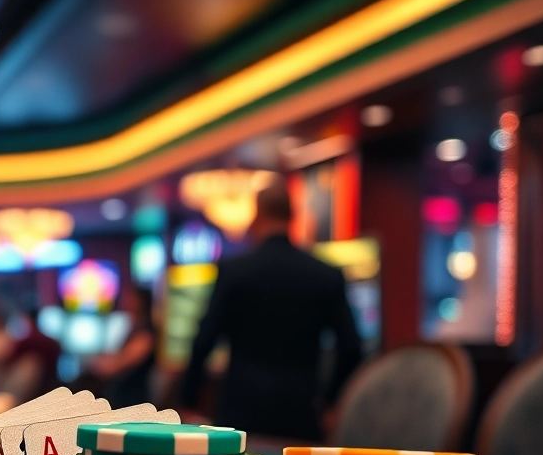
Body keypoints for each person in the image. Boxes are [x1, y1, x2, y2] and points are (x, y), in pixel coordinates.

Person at [180, 181, 362, 440]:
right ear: (293, 217)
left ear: (257, 215)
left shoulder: (235, 272)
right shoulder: (326, 275)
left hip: (241, 412)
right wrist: (330, 400)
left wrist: (188, 401)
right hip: (301, 414)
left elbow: (204, 340)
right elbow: (352, 347)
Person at [88, 286, 157, 408]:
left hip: (132, 401)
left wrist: (95, 363)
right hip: (120, 397)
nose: (126, 301)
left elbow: (117, 365)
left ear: (141, 302)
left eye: (131, 298)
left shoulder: (145, 334)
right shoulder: (132, 329)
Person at [1, 309, 62, 401]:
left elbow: (9, 358)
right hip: (50, 387)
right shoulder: (52, 342)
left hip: (31, 390)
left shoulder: (28, 340)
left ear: (29, 321)